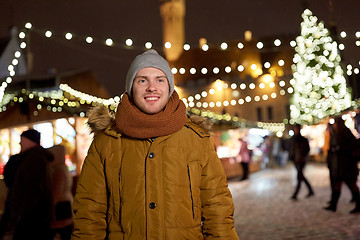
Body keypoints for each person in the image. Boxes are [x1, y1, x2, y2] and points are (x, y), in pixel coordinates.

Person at [72, 49, 239, 239]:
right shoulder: (107, 142)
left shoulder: (196, 139)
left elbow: (218, 209)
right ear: (130, 88)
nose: (152, 87)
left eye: (160, 79)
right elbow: (89, 213)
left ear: (169, 87)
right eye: (142, 80)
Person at [1, 129, 54, 240]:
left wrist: (22, 216)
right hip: (34, 217)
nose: (20, 143)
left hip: (32, 219)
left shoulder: (34, 159)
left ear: (30, 141)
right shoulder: (31, 158)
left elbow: (33, 191)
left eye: (22, 140)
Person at [324, 117, 360, 213]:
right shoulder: (336, 133)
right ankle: (333, 205)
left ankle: (358, 204)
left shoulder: (346, 133)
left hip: (347, 166)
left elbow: (351, 147)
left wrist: (339, 149)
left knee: (352, 185)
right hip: (339, 165)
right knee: (338, 185)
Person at [48, 145, 73, 240]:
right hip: (65, 202)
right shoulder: (63, 168)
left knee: (62, 231)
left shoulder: (58, 170)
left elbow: (56, 190)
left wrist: (51, 205)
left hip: (61, 204)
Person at [289, 124, 314, 200]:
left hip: (301, 160)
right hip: (296, 160)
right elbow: (291, 149)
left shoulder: (303, 139)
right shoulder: (293, 139)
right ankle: (310, 190)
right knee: (301, 176)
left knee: (299, 176)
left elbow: (307, 149)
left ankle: (295, 194)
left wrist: (303, 156)